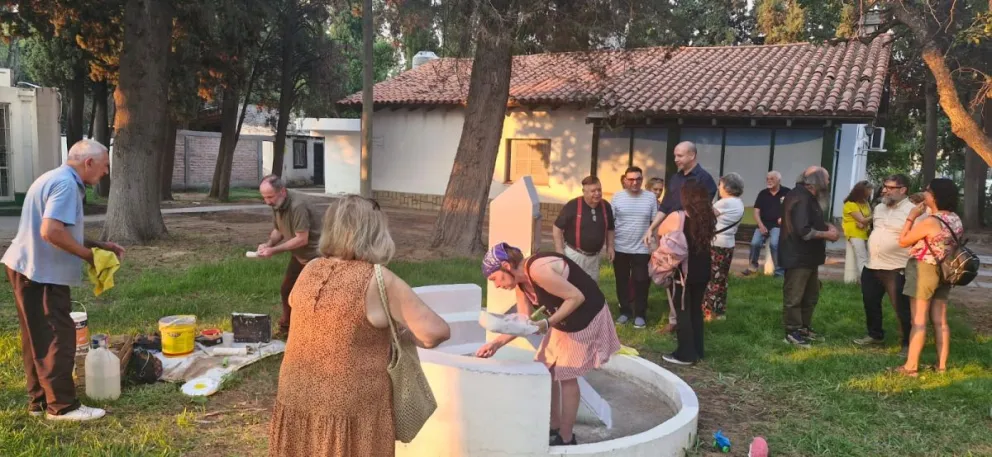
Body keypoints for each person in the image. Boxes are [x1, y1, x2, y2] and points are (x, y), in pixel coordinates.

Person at [268, 195, 451, 456]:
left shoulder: (311, 268)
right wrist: (400, 332)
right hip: (351, 408)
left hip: (296, 392)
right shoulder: (377, 279)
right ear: (376, 231)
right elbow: (435, 332)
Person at [1, 139, 124, 422]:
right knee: (57, 335)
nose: (106, 172)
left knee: (36, 337)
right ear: (89, 163)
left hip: (25, 268)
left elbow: (60, 228)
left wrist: (98, 245)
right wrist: (89, 256)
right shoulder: (67, 185)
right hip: (40, 273)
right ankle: (63, 407)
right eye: (105, 166)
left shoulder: (54, 177)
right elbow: (51, 232)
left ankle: (40, 402)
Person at [475, 242, 621, 446]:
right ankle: (554, 425)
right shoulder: (520, 283)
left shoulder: (539, 270)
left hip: (586, 314)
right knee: (546, 368)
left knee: (567, 374)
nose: (496, 285)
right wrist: (496, 344)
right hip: (565, 317)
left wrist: (547, 323)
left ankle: (567, 438)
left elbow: (576, 297)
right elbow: (524, 323)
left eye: (494, 278)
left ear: (507, 266)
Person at [643, 141, 717, 333]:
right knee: (669, 275)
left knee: (686, 280)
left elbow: (700, 212)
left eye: (680, 156)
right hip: (669, 235)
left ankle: (686, 323)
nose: (675, 159)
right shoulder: (675, 178)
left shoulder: (705, 180)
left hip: (690, 238)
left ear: (692, 156)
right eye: (675, 155)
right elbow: (666, 205)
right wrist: (652, 228)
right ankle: (675, 319)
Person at [894, 178, 963, 376]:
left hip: (924, 270)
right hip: (944, 271)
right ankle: (941, 366)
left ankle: (911, 367)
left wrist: (911, 216)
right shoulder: (955, 219)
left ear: (934, 196)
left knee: (919, 321)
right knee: (940, 321)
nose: (924, 193)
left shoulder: (930, 222)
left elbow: (903, 241)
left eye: (927, 191)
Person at [852, 174, 916, 354]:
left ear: (903, 190)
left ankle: (907, 343)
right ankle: (875, 335)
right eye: (884, 186)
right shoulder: (879, 208)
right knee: (870, 301)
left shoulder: (913, 211)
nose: (884, 190)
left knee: (901, 307)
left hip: (897, 267)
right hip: (873, 264)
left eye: (890, 187)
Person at [655, 180, 716, 365]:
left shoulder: (678, 216)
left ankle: (685, 354)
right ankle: (698, 350)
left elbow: (660, 230)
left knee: (682, 310)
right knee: (696, 310)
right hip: (703, 269)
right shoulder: (709, 215)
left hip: (683, 271)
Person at [779, 166, 840, 348]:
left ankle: (803, 328)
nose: (828, 182)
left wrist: (827, 226)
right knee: (795, 296)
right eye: (827, 179)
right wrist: (828, 235)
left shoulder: (808, 197)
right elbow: (803, 231)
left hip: (809, 257)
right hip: (798, 256)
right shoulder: (801, 197)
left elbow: (812, 223)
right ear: (818, 181)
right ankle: (792, 332)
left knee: (810, 295)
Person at [255, 174, 323, 337]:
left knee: (310, 296)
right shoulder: (278, 204)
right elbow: (278, 230)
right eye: (264, 197)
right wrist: (268, 244)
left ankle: (313, 332)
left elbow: (302, 239)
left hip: (316, 257)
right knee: (287, 289)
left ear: (282, 191)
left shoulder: (297, 205)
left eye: (270, 197)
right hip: (299, 257)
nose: (267, 202)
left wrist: (274, 251)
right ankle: (287, 327)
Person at [611, 166, 658, 329]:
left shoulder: (650, 198)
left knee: (641, 281)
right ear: (625, 180)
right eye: (631, 179)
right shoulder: (617, 197)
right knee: (621, 281)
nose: (635, 182)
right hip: (620, 247)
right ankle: (624, 312)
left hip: (642, 249)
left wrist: (655, 245)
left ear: (642, 180)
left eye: (638, 179)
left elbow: (655, 223)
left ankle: (640, 314)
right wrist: (610, 246)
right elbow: (611, 224)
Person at [553, 176, 615, 282]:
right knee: (572, 286)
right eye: (593, 191)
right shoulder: (573, 205)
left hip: (594, 257)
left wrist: (610, 247)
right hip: (575, 255)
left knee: (592, 287)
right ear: (584, 192)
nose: (597, 193)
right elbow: (557, 227)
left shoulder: (606, 206)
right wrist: (559, 249)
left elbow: (610, 228)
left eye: (599, 190)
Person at [702, 173, 745, 321]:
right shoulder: (738, 202)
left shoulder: (724, 203)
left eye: (720, 185)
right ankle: (719, 311)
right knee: (722, 279)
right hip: (729, 243)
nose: (719, 188)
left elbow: (705, 216)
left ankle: (708, 312)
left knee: (712, 279)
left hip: (716, 243)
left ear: (727, 187)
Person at [743, 171, 790, 276]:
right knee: (755, 243)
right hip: (763, 223)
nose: (769, 181)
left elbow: (793, 208)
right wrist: (760, 225)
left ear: (779, 180)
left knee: (774, 244)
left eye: (772, 179)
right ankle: (752, 267)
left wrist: (784, 218)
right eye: (767, 179)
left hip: (778, 225)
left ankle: (779, 272)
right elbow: (756, 211)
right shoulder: (763, 193)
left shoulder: (787, 192)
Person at [842, 180, 874, 278]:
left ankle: (864, 278)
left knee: (867, 256)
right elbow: (863, 219)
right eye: (868, 191)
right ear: (861, 191)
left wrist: (867, 220)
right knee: (862, 257)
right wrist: (876, 215)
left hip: (864, 232)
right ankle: (865, 280)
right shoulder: (850, 204)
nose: (870, 193)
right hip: (854, 233)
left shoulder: (865, 202)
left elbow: (865, 219)